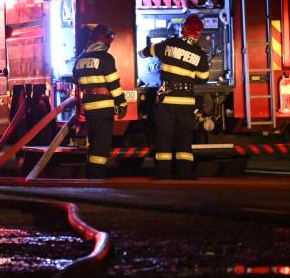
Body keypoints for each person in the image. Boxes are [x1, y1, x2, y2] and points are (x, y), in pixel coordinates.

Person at [139, 14, 209, 179]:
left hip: (167, 101)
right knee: (185, 139)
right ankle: (185, 174)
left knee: (164, 138)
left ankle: (163, 175)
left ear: (183, 29)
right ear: (197, 34)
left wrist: (142, 53)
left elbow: (146, 52)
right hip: (186, 102)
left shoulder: (168, 44)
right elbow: (203, 78)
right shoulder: (199, 54)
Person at [72, 24, 127, 179]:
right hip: (104, 106)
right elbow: (114, 84)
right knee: (101, 146)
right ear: (103, 39)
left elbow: (75, 78)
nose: (110, 41)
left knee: (94, 142)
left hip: (89, 106)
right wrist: (121, 104)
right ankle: (96, 179)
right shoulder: (106, 58)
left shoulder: (81, 58)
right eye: (109, 38)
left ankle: (91, 176)